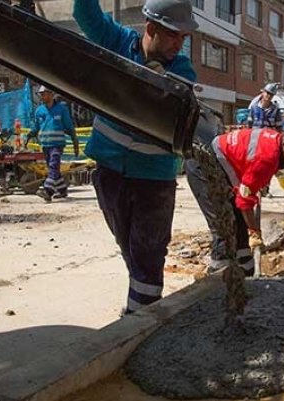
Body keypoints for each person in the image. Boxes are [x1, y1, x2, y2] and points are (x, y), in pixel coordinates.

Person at [74, 0, 197, 313]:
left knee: (148, 257)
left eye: (183, 38)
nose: (178, 45)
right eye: (173, 36)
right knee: (132, 253)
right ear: (151, 28)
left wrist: (156, 79)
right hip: (110, 174)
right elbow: (85, 15)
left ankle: (138, 322)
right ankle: (139, 312)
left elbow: (172, 95)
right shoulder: (118, 42)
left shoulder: (181, 70)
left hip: (153, 182)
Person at [186, 120, 284, 275]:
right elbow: (244, 201)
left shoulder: (275, 140)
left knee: (239, 223)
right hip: (203, 167)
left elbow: (247, 188)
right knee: (222, 225)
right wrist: (255, 231)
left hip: (220, 167)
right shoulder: (268, 157)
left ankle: (247, 273)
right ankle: (216, 281)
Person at [27, 85, 78, 202]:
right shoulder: (39, 111)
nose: (42, 96)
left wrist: (75, 143)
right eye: (40, 94)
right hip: (45, 145)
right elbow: (36, 127)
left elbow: (69, 127)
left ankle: (48, 191)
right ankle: (62, 190)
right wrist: (31, 134)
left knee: (54, 166)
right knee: (52, 168)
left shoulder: (61, 109)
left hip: (57, 144)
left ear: (51, 94)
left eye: (43, 94)